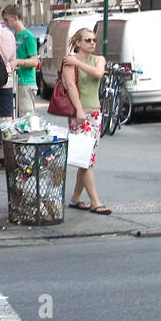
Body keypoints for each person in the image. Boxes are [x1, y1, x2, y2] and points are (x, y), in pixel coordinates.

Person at [55, 27, 109, 214]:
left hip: (95, 113)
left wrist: (78, 63)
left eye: (94, 40)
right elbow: (70, 86)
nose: (92, 43)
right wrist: (78, 110)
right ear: (78, 43)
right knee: (87, 160)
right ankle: (95, 201)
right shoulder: (69, 61)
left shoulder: (98, 60)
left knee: (87, 158)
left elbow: (98, 74)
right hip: (80, 113)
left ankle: (76, 197)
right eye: (87, 40)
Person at [3, 4, 40, 117]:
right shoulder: (14, 36)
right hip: (16, 82)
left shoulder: (28, 36)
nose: (5, 23)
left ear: (15, 17)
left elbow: (34, 61)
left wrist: (19, 62)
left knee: (26, 118)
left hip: (26, 82)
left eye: (6, 20)